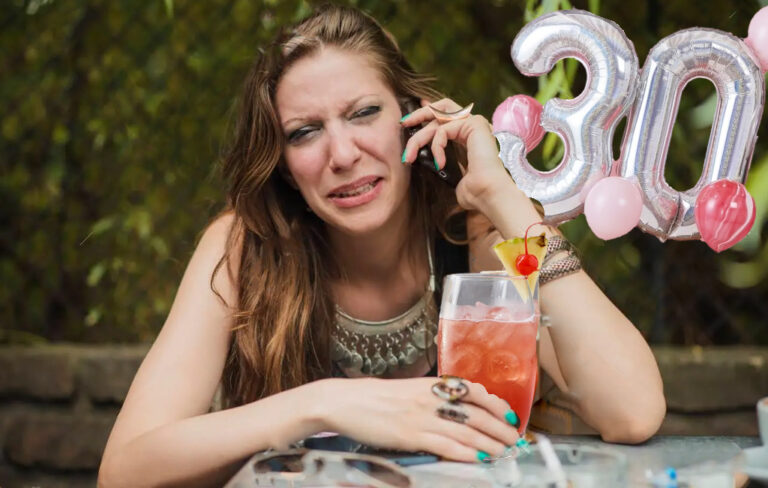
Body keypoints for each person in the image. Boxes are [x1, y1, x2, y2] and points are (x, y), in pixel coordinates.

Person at [98, 5, 665, 487]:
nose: (342, 154)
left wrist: (503, 198)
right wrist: (323, 404)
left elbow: (632, 412)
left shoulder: (481, 238)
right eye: (305, 132)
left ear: (409, 118)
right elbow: (125, 468)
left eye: (364, 112)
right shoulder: (249, 246)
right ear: (287, 168)